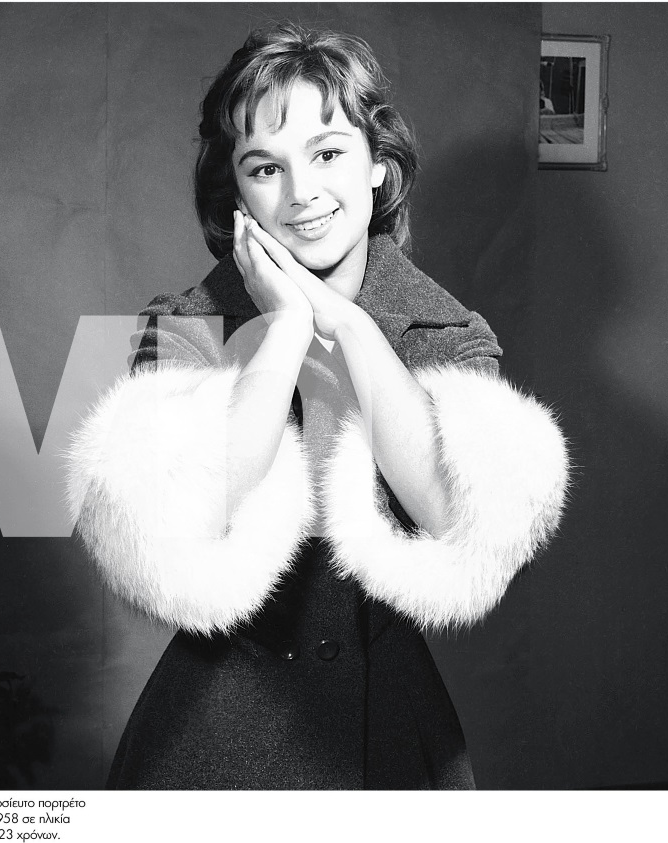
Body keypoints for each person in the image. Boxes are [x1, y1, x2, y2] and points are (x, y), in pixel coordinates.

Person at [66, 22, 569, 789]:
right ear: (237, 192)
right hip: (216, 739)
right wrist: (286, 329)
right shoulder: (186, 325)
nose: (301, 193)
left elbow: (454, 520)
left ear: (378, 165)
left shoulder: (446, 332)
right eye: (266, 167)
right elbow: (190, 524)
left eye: (328, 153)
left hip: (389, 738)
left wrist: (352, 328)